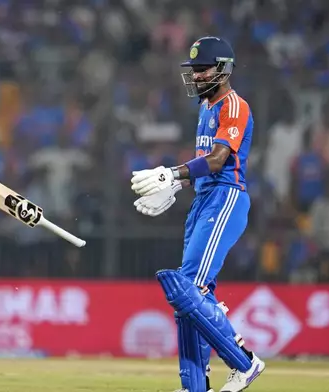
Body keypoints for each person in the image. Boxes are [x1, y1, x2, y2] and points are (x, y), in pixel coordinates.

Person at [130, 37, 265, 392]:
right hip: (204, 201)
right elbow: (204, 166)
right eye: (193, 70)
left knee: (188, 289)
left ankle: (245, 362)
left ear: (223, 68)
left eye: (203, 68)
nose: (197, 75)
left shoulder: (234, 105)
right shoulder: (206, 107)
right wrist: (177, 187)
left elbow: (219, 160)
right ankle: (194, 386)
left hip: (226, 200)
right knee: (189, 296)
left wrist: (170, 174)